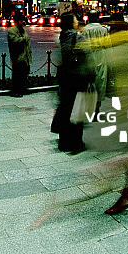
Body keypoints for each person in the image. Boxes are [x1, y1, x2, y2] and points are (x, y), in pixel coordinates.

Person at [51, 11, 91, 154]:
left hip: (64, 79)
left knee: (65, 110)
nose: (77, 22)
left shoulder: (61, 37)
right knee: (77, 112)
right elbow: (88, 58)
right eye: (75, 20)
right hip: (77, 79)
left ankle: (64, 142)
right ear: (71, 23)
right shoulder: (78, 38)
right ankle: (76, 143)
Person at [81, 10, 111, 114]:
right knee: (100, 82)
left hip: (88, 57)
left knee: (89, 82)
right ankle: (97, 107)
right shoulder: (103, 30)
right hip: (101, 56)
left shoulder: (85, 30)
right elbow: (108, 44)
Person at [7, 13, 32, 97]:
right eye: (21, 21)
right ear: (17, 21)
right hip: (17, 56)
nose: (23, 22)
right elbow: (15, 41)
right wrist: (24, 39)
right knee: (17, 74)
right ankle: (15, 91)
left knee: (25, 73)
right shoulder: (12, 31)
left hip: (26, 56)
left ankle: (22, 89)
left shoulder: (23, 30)